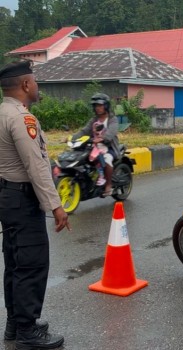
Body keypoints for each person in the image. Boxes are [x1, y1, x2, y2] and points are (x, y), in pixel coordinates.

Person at [0, 60, 70, 349]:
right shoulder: (21, 118)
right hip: (22, 197)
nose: (37, 86)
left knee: (15, 261)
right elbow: (36, 166)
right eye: (35, 81)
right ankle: (28, 332)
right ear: (25, 85)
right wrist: (55, 206)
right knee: (31, 262)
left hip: (6, 196)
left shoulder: (1, 111)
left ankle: (16, 323)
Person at [72, 93, 120, 197]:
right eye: (96, 106)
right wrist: (71, 138)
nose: (98, 108)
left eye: (100, 105)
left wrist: (102, 138)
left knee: (107, 159)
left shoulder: (112, 119)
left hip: (109, 148)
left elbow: (111, 132)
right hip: (94, 147)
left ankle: (108, 185)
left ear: (106, 106)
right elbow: (84, 131)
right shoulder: (94, 120)